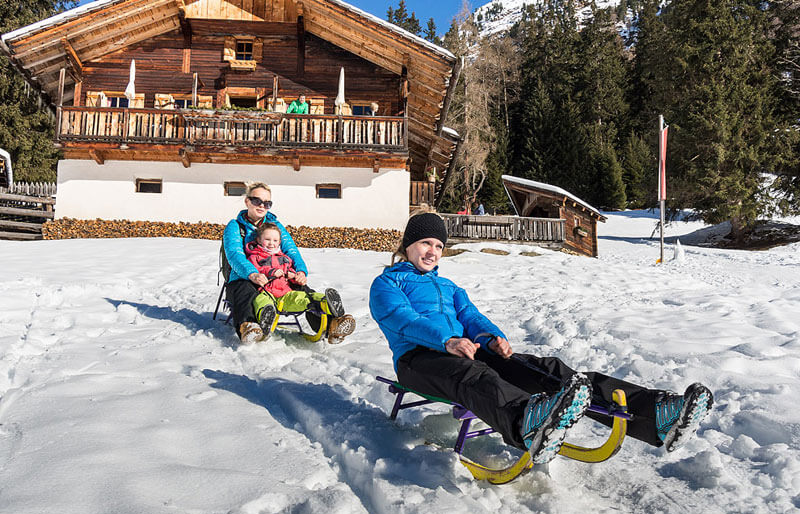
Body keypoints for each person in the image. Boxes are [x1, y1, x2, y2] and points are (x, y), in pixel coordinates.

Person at [369, 211, 714, 464]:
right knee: (476, 376)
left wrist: (492, 338)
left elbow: (471, 318)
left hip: (465, 349)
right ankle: (527, 425)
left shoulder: (449, 286)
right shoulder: (387, 283)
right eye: (425, 243)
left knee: (547, 371)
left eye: (439, 245)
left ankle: (656, 415)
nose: (432, 251)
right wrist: (446, 340)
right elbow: (403, 319)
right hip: (419, 359)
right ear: (409, 245)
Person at [223, 182, 355, 343]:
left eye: (267, 203)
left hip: (278, 275)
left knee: (304, 291)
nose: (262, 205)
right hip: (244, 276)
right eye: (257, 200)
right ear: (247, 201)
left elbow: (291, 250)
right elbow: (235, 255)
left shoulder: (276, 226)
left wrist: (300, 271)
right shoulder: (235, 226)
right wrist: (253, 274)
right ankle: (248, 326)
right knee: (247, 291)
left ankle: (332, 325)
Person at [245, 222, 349, 335]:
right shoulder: (255, 256)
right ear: (259, 240)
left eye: (275, 240)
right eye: (267, 239)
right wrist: (270, 272)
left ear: (279, 242)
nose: (271, 243)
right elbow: (255, 269)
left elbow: (290, 270)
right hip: (266, 292)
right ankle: (266, 319)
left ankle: (327, 303)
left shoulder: (284, 258)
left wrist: (294, 276)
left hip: (285, 294)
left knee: (304, 298)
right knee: (261, 302)